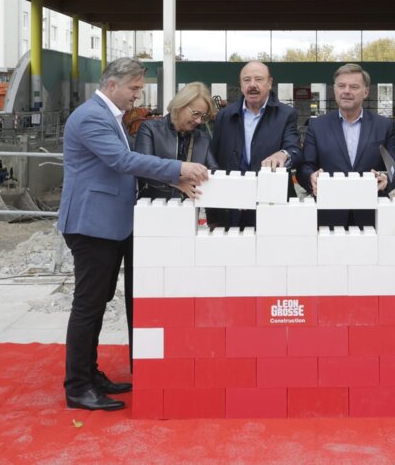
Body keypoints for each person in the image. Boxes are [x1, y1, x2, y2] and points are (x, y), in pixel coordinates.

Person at [58, 58, 208, 411]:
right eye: (134, 88)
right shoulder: (92, 117)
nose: (138, 96)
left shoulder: (109, 116)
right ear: (112, 85)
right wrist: (179, 168)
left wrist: (174, 181)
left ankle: (90, 374)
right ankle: (78, 386)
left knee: (98, 303)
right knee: (88, 306)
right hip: (92, 225)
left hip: (109, 224)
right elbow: (123, 162)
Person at [297, 63, 395, 227]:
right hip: (329, 212)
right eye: (341, 86)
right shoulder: (317, 126)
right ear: (335, 89)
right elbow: (305, 166)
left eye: (354, 87)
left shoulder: (383, 126)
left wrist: (386, 180)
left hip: (371, 214)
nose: (346, 91)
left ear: (366, 92)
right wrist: (310, 177)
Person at [210, 60, 302, 227]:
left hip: (273, 204)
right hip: (232, 205)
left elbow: (294, 149)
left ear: (270, 83)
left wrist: (283, 154)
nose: (252, 85)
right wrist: (213, 215)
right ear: (241, 85)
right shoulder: (224, 116)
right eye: (247, 80)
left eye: (258, 79)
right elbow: (214, 160)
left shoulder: (287, 114)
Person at [135, 81, 219, 199]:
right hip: (154, 205)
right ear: (180, 106)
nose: (199, 121)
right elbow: (142, 169)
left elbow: (213, 172)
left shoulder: (202, 138)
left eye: (204, 116)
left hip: (190, 207)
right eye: (196, 113)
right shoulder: (150, 129)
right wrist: (176, 181)